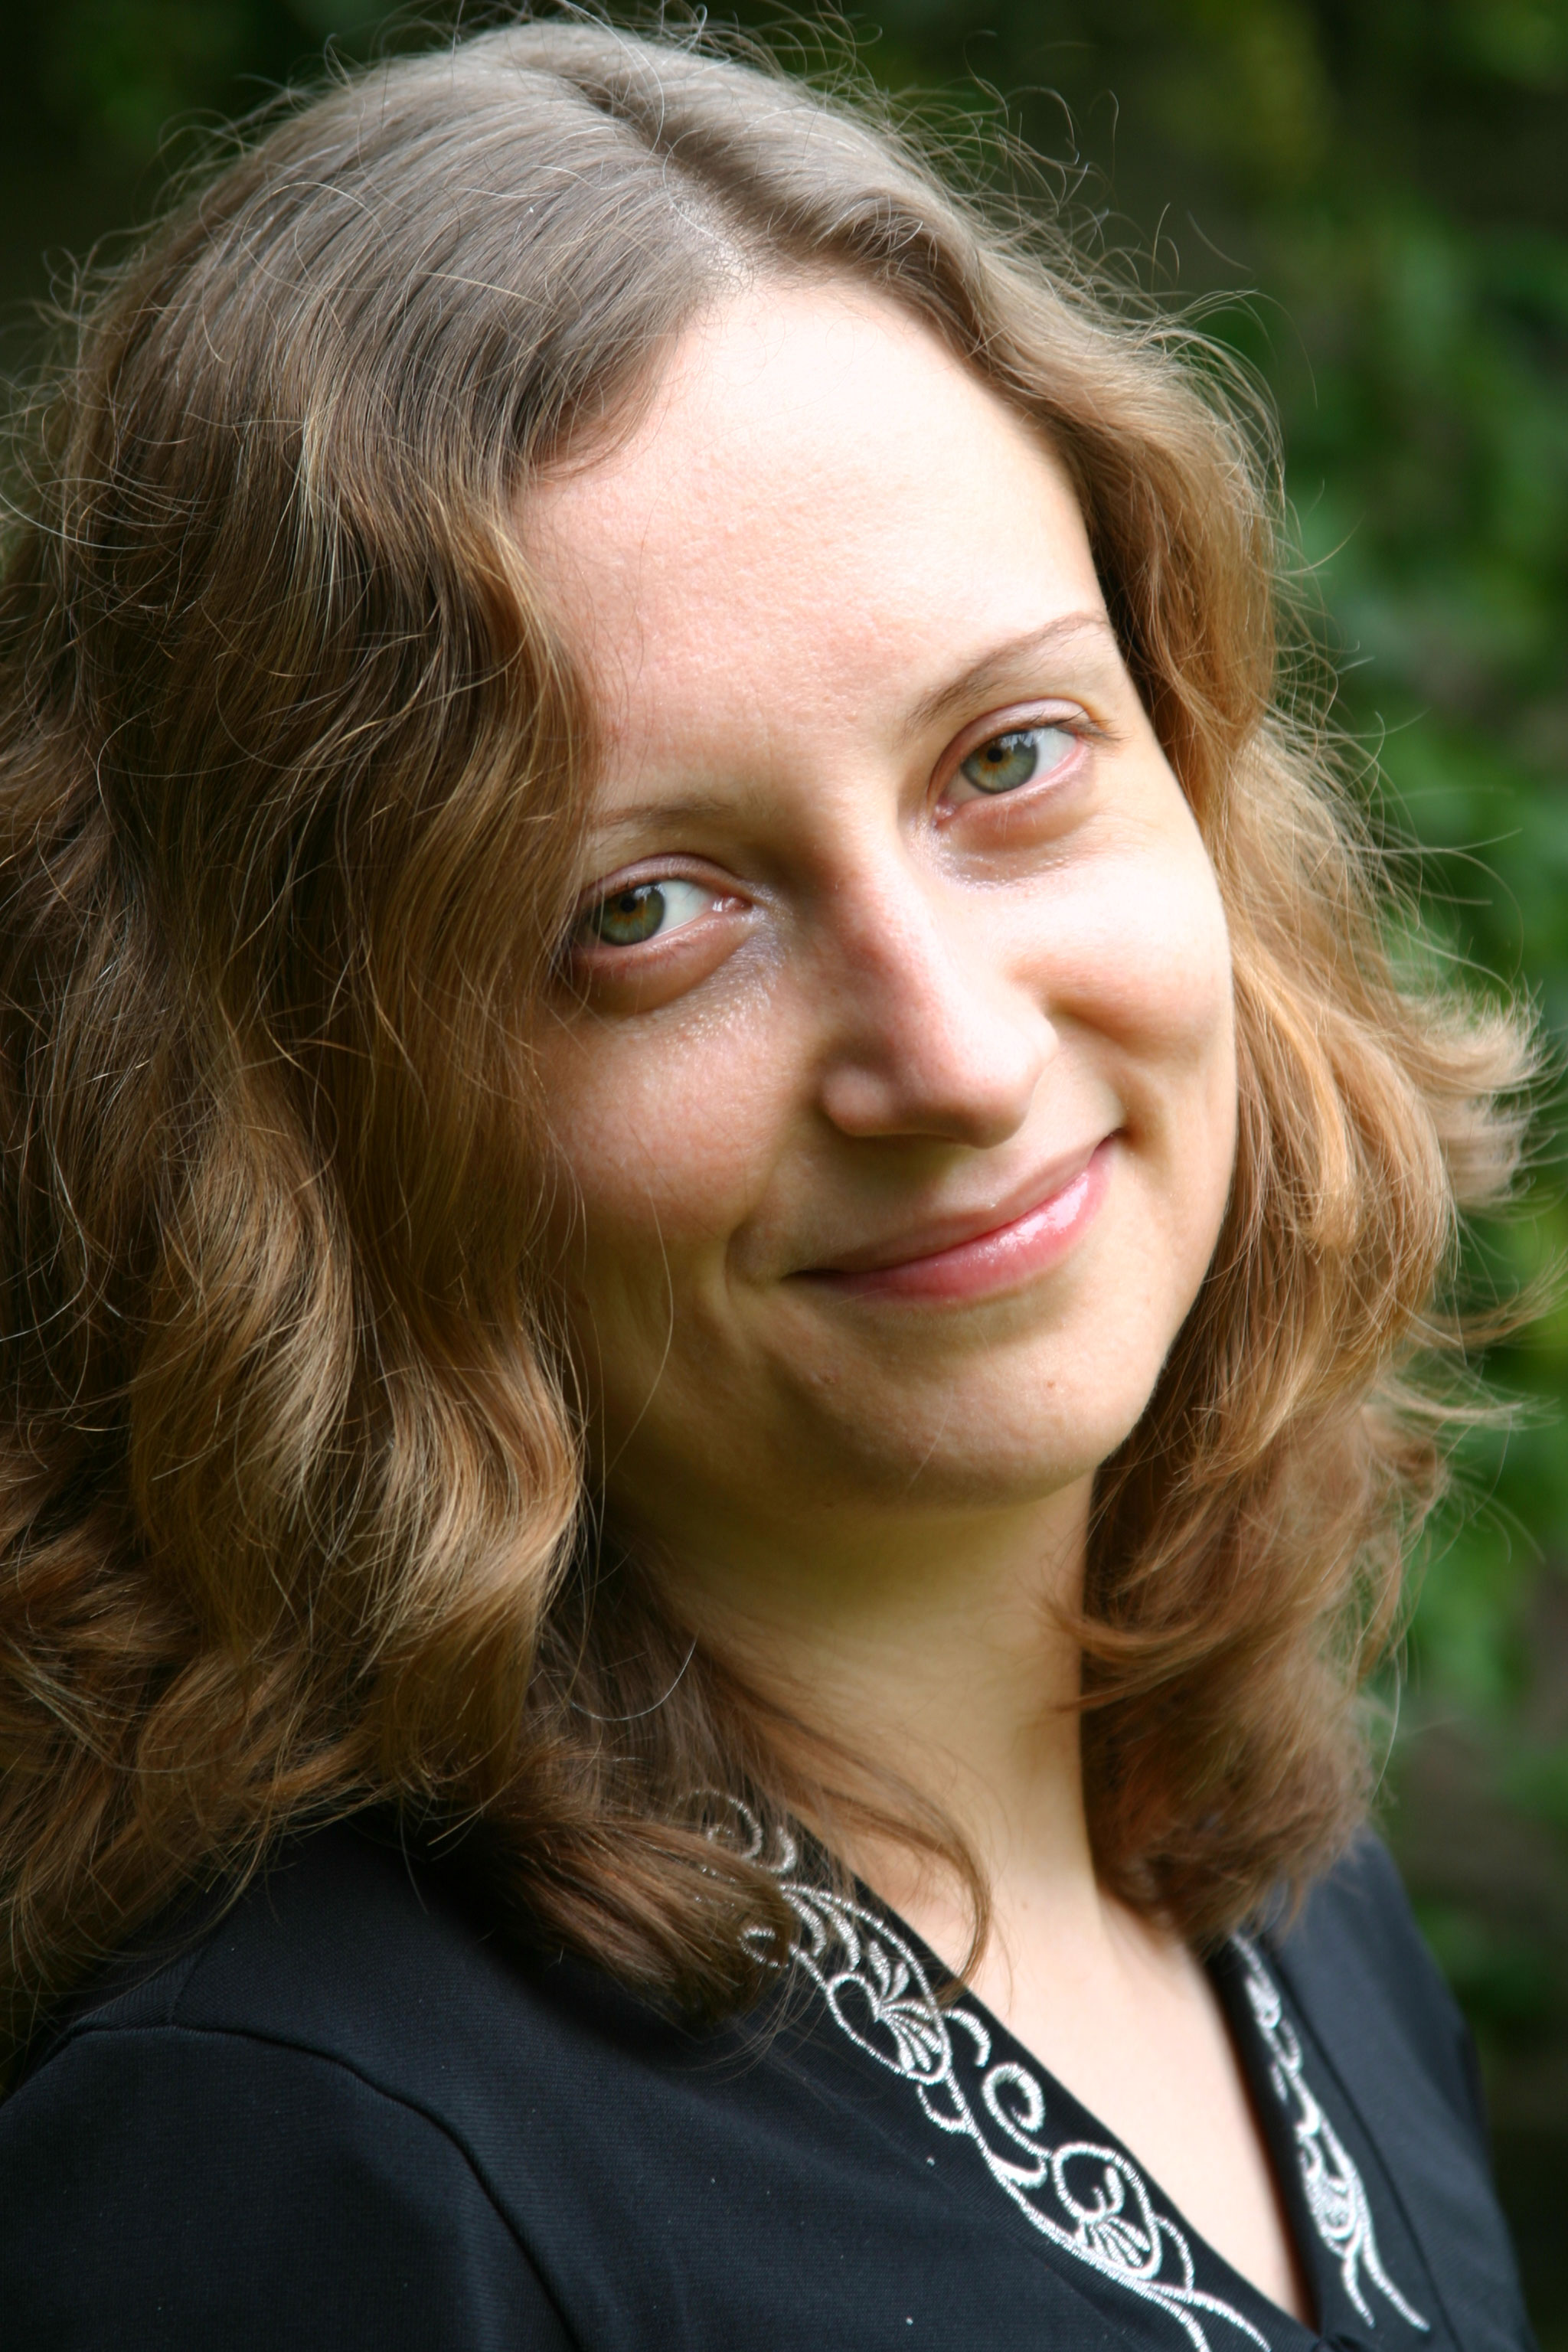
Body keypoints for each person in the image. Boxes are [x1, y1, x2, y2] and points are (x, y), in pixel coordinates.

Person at [0, 16, 1540, 2349]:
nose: (955, 1053)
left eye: (1009, 758)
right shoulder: (298, 2170)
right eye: (645, 912)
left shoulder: (1262, 1880)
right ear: (294, 1112)